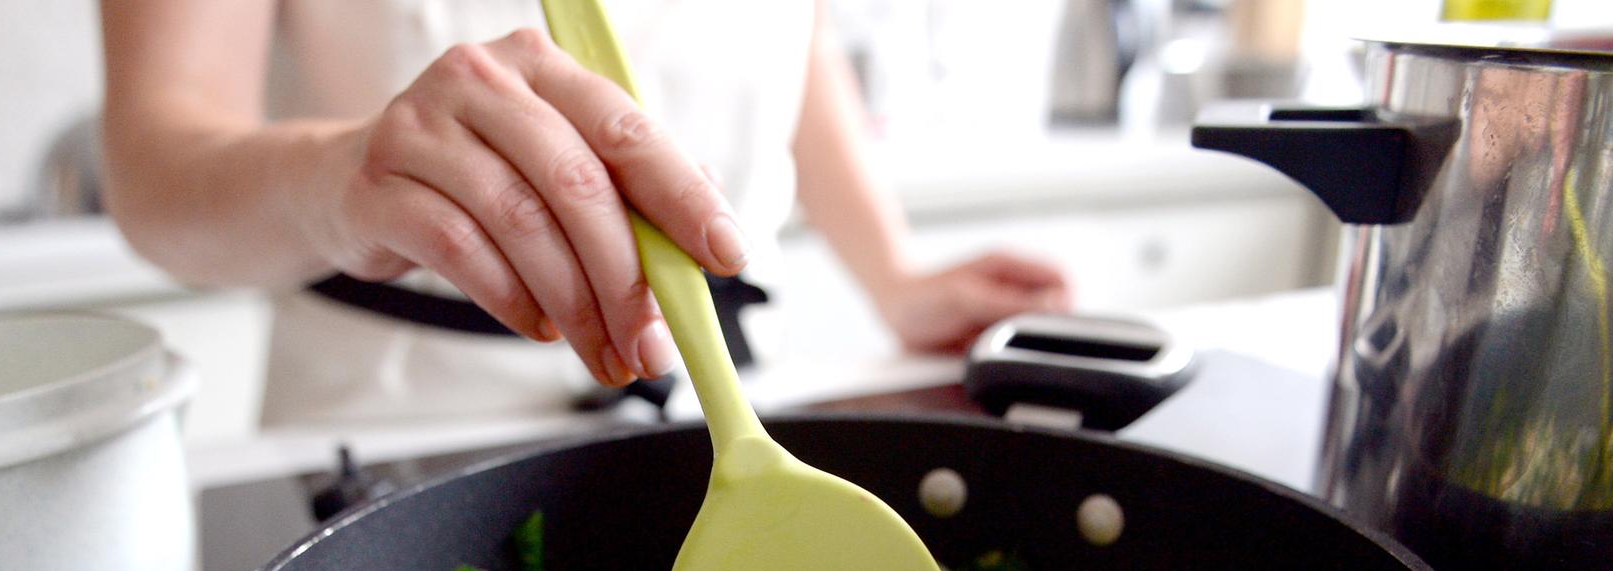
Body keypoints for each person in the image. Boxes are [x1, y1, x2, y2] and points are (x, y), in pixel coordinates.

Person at [100, 0, 1071, 426]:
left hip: (720, 398)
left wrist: (893, 278)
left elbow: (790, 40)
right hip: (391, 416)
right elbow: (152, 169)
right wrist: (342, 175)